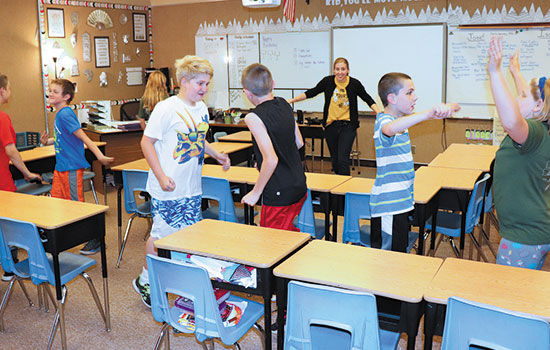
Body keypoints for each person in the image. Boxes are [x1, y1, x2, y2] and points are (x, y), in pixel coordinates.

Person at [133, 55, 230, 307]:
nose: (204, 89)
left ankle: (179, 279)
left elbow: (197, 139)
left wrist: (215, 153)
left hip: (190, 187)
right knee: (161, 236)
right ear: (183, 82)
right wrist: (161, 175)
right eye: (199, 83)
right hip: (167, 186)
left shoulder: (201, 109)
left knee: (187, 235)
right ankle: (145, 279)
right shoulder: (166, 108)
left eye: (207, 84)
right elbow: (146, 142)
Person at [371, 72, 459, 252]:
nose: (415, 97)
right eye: (409, 92)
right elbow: (388, 129)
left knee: (399, 256)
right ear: (392, 98)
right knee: (387, 263)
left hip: (401, 203)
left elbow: (399, 125)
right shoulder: (384, 121)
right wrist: (428, 114)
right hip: (389, 207)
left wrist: (432, 115)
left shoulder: (399, 123)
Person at [487, 36, 550, 270]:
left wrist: (495, 72)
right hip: (536, 229)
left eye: (521, 96)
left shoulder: (532, 132)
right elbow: (531, 96)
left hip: (523, 237)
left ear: (537, 108)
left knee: (507, 295)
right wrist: (515, 72)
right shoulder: (543, 127)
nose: (517, 96)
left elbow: (512, 121)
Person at [40, 79, 114, 255]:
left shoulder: (65, 114)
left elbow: (85, 138)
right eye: (50, 90)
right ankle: (62, 237)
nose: (50, 93)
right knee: (58, 202)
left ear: (66, 96)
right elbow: (63, 138)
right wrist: (47, 141)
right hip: (61, 168)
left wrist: (100, 156)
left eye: (55, 91)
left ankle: (96, 239)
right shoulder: (59, 114)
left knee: (77, 205)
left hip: (72, 168)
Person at [240, 63, 307, 231]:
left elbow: (271, 160)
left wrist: (255, 193)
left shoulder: (253, 117)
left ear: (247, 93)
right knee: (287, 237)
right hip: (298, 184)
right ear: (273, 85)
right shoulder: (284, 104)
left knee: (272, 244)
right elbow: (298, 142)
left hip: (278, 191)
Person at [287, 57, 380, 175]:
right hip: (331, 126)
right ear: (333, 70)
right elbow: (311, 92)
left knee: (343, 159)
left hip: (347, 126)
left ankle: (343, 190)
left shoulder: (354, 84)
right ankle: (337, 184)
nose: (340, 72)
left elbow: (367, 98)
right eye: (337, 69)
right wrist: (292, 100)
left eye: (343, 69)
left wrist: (378, 112)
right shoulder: (328, 82)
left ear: (348, 70)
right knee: (335, 160)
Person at [0, 74, 42, 282]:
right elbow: (11, 151)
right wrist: (27, 173)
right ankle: (9, 266)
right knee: (8, 225)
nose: (11, 92)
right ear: (2, 91)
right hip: (2, 183)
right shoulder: (2, 118)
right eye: (9, 88)